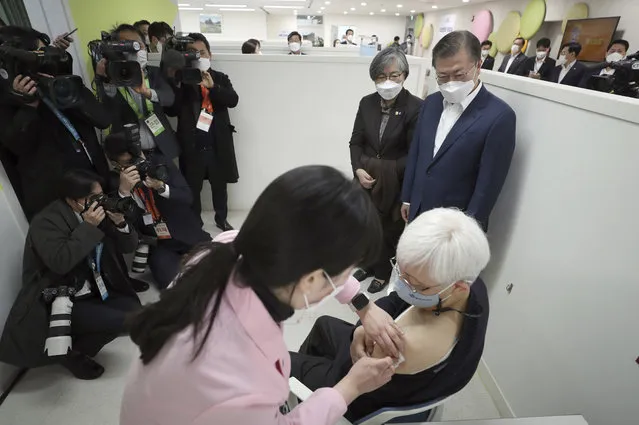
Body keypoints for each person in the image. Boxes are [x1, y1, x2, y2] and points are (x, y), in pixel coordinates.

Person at [119, 165, 398, 425]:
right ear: (311, 278)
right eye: (343, 273)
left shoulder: (222, 249)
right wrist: (349, 388)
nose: (343, 281)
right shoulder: (246, 377)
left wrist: (364, 307)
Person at [291, 208, 490, 422]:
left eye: (417, 285)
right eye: (402, 273)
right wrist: (361, 327)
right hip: (390, 376)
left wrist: (357, 336)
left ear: (458, 286)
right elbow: (394, 300)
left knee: (284, 364)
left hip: (357, 391)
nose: (403, 286)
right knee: (323, 324)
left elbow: (353, 371)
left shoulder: (408, 343)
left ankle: (300, 393)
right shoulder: (467, 285)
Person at [0, 170, 142, 380]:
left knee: (133, 311)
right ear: (73, 201)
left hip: (93, 284)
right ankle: (71, 353)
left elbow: (128, 247)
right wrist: (88, 227)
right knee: (118, 322)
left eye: (101, 195)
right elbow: (60, 263)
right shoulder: (46, 222)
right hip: (59, 295)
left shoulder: (96, 209)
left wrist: (120, 223)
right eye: (93, 198)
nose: (100, 202)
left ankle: (83, 333)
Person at [401, 30, 516, 230]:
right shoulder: (431, 103)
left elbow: (487, 186)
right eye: (443, 76)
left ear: (478, 66)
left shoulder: (499, 117)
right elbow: (417, 152)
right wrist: (408, 198)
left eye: (459, 74)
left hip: (454, 225)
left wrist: (468, 230)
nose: (450, 82)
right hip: (417, 210)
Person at [0, 26, 111, 220]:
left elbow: (102, 119)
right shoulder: (8, 100)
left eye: (46, 53)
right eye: (38, 56)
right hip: (57, 201)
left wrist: (65, 80)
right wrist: (27, 106)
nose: (44, 60)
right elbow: (17, 146)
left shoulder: (62, 83)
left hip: (94, 181)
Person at [349, 48, 423, 294]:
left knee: (388, 230)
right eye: (381, 76)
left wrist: (381, 169)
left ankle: (382, 271)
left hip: (396, 182)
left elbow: (414, 153)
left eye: (394, 75)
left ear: (404, 75)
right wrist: (359, 168)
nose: (388, 81)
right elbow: (356, 141)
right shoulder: (366, 102)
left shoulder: (415, 107)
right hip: (365, 178)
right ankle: (368, 264)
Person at [103, 133, 211, 289]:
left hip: (186, 232)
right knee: (172, 284)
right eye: (128, 163)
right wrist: (124, 193)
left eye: (138, 158)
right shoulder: (115, 182)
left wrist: (161, 187)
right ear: (115, 164)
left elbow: (187, 197)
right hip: (159, 243)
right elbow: (125, 226)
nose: (136, 165)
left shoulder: (158, 162)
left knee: (216, 271)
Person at [165, 32, 239, 231]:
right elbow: (170, 109)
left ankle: (221, 219)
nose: (199, 56)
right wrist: (177, 81)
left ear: (210, 54)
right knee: (193, 187)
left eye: (202, 52)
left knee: (219, 185)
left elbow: (232, 100)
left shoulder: (220, 78)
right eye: (193, 53)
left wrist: (212, 87)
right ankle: (195, 222)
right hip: (192, 144)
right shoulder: (183, 80)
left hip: (216, 142)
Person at [97, 24, 180, 162]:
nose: (134, 50)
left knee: (177, 184)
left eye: (138, 45)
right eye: (127, 45)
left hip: (161, 150)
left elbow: (169, 98)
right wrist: (107, 81)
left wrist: (147, 92)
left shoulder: (155, 72)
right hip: (130, 155)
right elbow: (108, 115)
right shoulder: (110, 78)